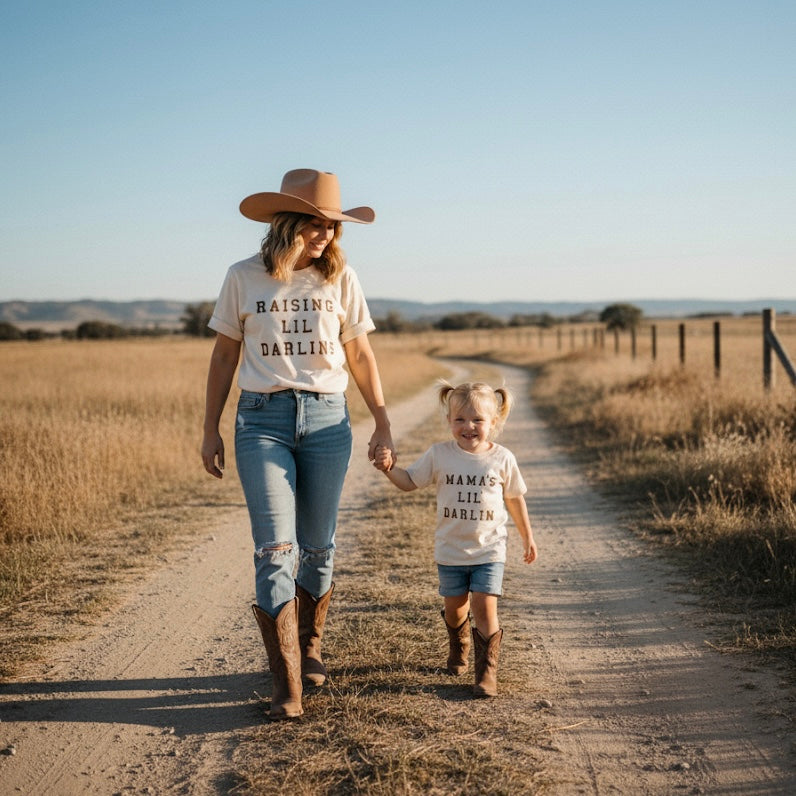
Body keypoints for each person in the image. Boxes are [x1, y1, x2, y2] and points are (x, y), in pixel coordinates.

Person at [201, 168, 395, 719]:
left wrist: (381, 421)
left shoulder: (341, 279)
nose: (326, 236)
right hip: (261, 419)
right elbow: (223, 357)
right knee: (274, 548)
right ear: (286, 224)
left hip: (328, 419)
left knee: (318, 544)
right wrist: (209, 426)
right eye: (315, 224)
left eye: (332, 227)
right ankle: (286, 681)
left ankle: (310, 646)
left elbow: (360, 355)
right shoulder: (243, 277)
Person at [374, 381, 537, 697]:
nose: (469, 426)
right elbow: (409, 481)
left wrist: (527, 536)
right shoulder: (439, 455)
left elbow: (515, 499)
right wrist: (388, 468)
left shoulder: (502, 459)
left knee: (484, 606)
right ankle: (459, 642)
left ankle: (486, 673)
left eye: (478, 420)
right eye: (460, 419)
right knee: (455, 609)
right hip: (450, 551)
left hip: (489, 550)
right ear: (449, 421)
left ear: (493, 423)